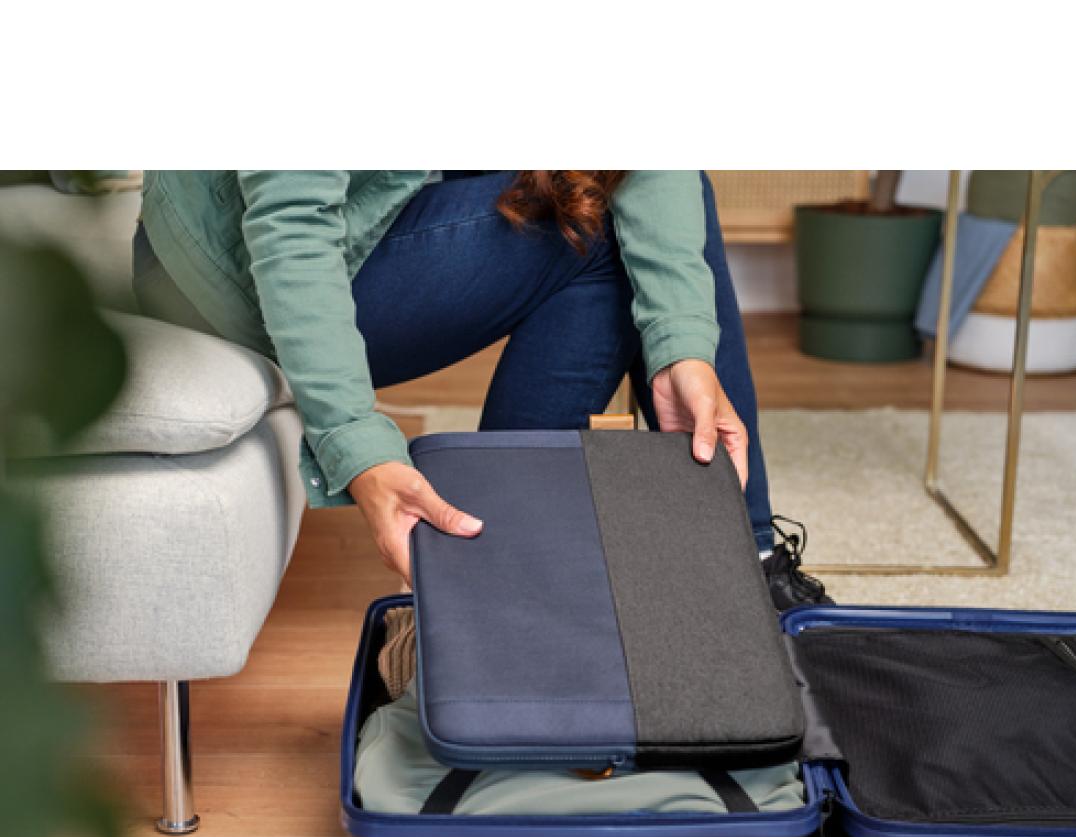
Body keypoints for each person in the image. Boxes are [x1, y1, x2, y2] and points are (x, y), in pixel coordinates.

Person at [133, 170, 827, 609]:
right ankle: (504, 588)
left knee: (632, 193)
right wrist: (356, 443)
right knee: (591, 228)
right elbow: (290, 225)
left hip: (381, 206)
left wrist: (683, 352)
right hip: (236, 270)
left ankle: (734, 564)